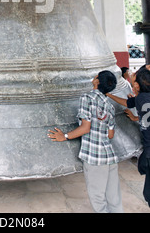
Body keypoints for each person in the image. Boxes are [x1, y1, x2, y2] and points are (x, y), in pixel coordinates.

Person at [48, 70, 123, 213]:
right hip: (110, 156)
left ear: (97, 81)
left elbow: (85, 127)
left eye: (96, 77)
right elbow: (110, 134)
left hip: (95, 157)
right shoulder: (110, 106)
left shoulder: (87, 98)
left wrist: (65, 136)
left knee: (97, 198)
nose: (94, 78)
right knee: (114, 197)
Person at [107, 64, 150, 208]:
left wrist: (108, 94)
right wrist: (136, 118)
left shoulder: (140, 99)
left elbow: (126, 102)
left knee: (149, 193)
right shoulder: (142, 98)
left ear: (137, 85)